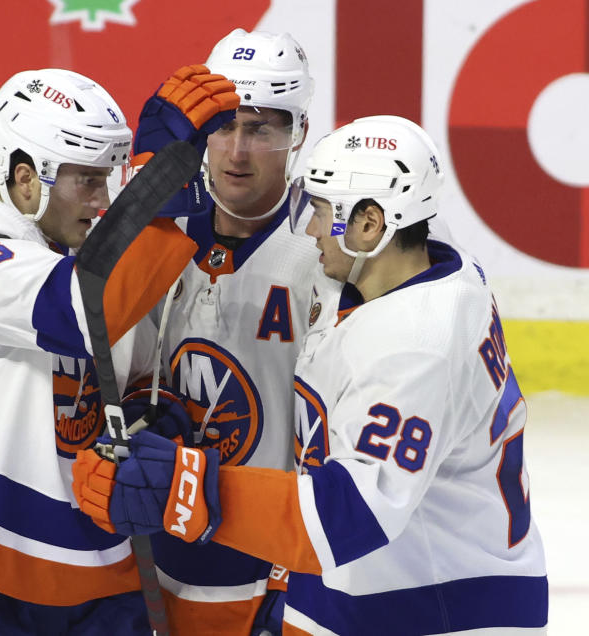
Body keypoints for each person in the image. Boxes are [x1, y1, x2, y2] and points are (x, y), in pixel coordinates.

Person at [73, 115, 549, 634]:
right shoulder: (407, 270)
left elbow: (351, 514)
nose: (311, 229)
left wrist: (183, 488)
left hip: (437, 608)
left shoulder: (415, 346)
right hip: (371, 591)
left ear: (371, 225)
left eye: (322, 211)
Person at [0, 67, 237, 634]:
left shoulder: (104, 261)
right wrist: (158, 181)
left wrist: (148, 417)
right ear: (24, 178)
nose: (102, 201)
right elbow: (77, 311)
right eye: (86, 182)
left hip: (97, 573)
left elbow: (132, 377)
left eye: (109, 181)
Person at [122, 28, 323, 635]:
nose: (236, 150)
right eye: (223, 126)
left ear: (299, 135)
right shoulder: (157, 234)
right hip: (152, 553)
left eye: (261, 130)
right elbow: (116, 374)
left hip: (267, 558)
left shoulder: (324, 253)